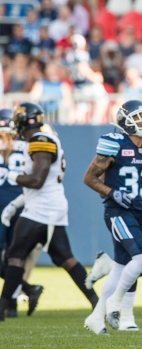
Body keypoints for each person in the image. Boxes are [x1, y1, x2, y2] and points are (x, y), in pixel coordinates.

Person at [82, 100, 142, 335]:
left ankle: (96, 317)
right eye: (141, 117)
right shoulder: (114, 143)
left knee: (119, 268)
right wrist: (111, 192)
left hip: (140, 212)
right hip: (118, 211)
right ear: (126, 121)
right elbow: (89, 178)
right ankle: (115, 304)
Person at [0, 102, 99, 320]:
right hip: (48, 205)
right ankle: (96, 302)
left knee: (15, 255)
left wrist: (10, 175)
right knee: (64, 258)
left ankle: (3, 308)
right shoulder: (42, 140)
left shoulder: (40, 141)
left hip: (41, 209)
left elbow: (37, 180)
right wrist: (16, 203)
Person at [0, 108, 43, 318]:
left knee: (10, 257)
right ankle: (14, 301)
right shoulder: (28, 145)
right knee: (14, 257)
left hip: (4, 203)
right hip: (22, 202)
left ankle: (20, 293)